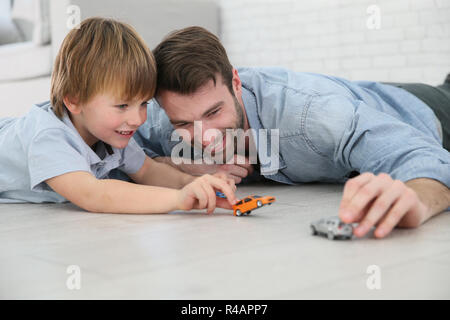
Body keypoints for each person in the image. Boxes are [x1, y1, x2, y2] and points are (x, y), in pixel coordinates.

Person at [134, 26, 450, 238]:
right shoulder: (162, 118)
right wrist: (179, 166)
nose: (203, 138)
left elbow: (422, 157)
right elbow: (114, 159)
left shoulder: (312, 117)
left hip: (425, 112)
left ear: (236, 82)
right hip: (361, 95)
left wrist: (416, 202)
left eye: (213, 112)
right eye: (184, 124)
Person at [0, 19, 237, 214]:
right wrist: (178, 198)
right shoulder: (49, 137)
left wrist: (192, 183)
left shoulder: (109, 134)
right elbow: (93, 194)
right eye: (122, 105)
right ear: (73, 100)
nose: (137, 119)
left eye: (143, 103)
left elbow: (147, 170)